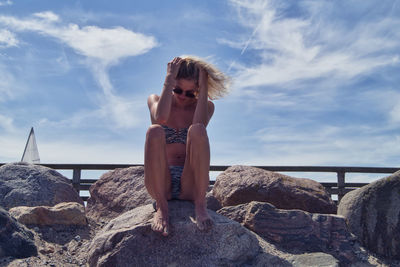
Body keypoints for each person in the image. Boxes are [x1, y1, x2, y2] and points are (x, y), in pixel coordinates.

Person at [144, 56, 229, 236]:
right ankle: (162, 207)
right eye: (178, 90)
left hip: (190, 183)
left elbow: (198, 126)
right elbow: (160, 118)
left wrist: (204, 85)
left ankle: (200, 204)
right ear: (172, 83)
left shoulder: (207, 106)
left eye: (190, 93)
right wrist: (169, 80)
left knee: (197, 130)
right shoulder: (155, 100)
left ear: (197, 90)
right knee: (154, 131)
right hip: (161, 181)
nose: (183, 96)